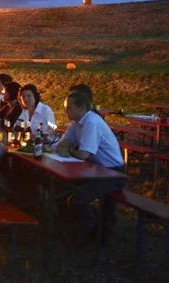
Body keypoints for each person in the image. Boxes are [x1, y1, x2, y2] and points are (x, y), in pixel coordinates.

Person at [57, 92, 125, 240]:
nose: (65, 111)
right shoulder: (76, 123)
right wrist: (64, 147)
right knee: (60, 186)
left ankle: (95, 233)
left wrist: (68, 150)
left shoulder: (91, 122)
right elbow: (62, 143)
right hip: (95, 170)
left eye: (68, 108)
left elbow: (83, 155)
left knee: (77, 199)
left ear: (81, 107)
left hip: (113, 173)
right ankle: (68, 226)